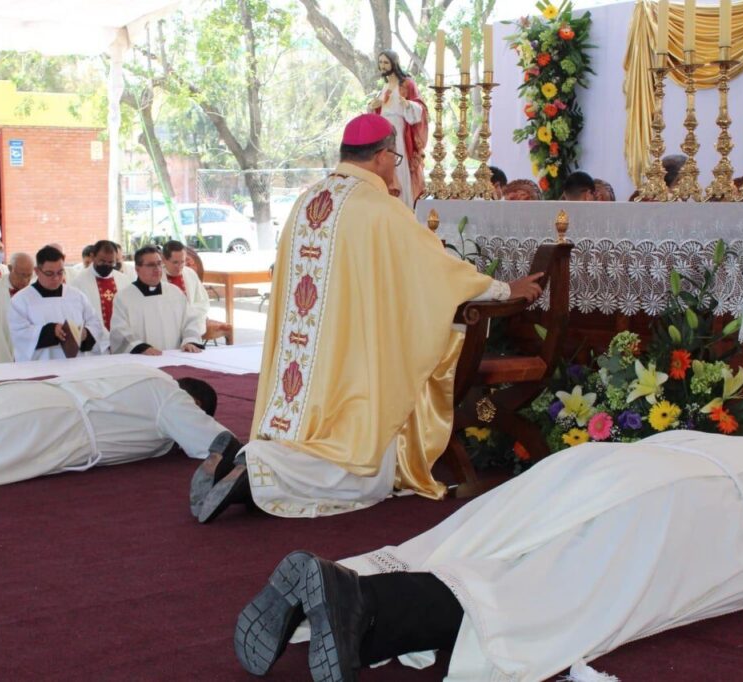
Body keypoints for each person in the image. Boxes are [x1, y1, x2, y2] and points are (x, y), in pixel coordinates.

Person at [234, 431, 743, 682]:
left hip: (605, 466)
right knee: (543, 593)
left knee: (471, 540)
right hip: (670, 508)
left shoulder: (735, 443)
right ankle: (366, 605)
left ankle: (333, 587)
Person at [192, 113, 545, 523]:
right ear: (381, 156)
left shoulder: (309, 200)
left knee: (309, 434)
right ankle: (257, 470)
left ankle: (236, 459)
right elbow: (435, 270)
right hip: (349, 364)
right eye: (394, 158)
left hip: (301, 369)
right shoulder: (378, 207)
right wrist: (504, 289)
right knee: (364, 471)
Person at [0, 364, 242, 499]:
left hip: (26, 397)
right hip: (48, 426)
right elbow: (218, 443)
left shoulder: (144, 373)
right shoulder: (172, 398)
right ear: (193, 402)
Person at [8, 245, 108, 362]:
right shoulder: (21, 300)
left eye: (60, 272)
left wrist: (85, 334)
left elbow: (95, 324)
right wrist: (51, 331)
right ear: (37, 271)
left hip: (75, 366)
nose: (56, 278)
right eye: (49, 273)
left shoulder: (76, 296)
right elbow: (19, 334)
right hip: (40, 368)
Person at [110, 245, 205, 355]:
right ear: (137, 269)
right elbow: (119, 331)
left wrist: (190, 341)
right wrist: (141, 348)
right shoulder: (124, 297)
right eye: (150, 265)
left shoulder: (175, 292)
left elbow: (190, 321)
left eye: (159, 264)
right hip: (142, 359)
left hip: (175, 357)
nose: (157, 269)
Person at [370, 51, 428, 209]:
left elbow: (421, 108)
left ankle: (403, 208)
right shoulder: (385, 87)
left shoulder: (407, 84)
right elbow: (380, 112)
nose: (382, 66)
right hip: (384, 134)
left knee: (399, 166)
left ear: (394, 63)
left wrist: (408, 105)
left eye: (386, 62)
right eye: (380, 62)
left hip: (400, 132)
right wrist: (374, 107)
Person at [162, 239, 231, 343]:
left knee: (193, 328)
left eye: (182, 261)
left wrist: (188, 314)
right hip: (167, 321)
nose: (179, 266)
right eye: (175, 262)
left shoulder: (190, 273)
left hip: (192, 319)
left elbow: (203, 302)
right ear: (164, 260)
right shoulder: (156, 278)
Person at [0, 252, 35, 364]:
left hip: (30, 356)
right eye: (22, 275)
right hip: (2, 353)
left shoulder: (35, 293)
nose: (25, 280)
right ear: (10, 268)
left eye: (29, 275)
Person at [70, 239, 130, 331]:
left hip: (121, 338)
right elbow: (76, 316)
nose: (106, 265)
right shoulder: (78, 283)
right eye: (102, 261)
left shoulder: (124, 280)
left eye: (111, 262)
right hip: (94, 341)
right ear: (93, 257)